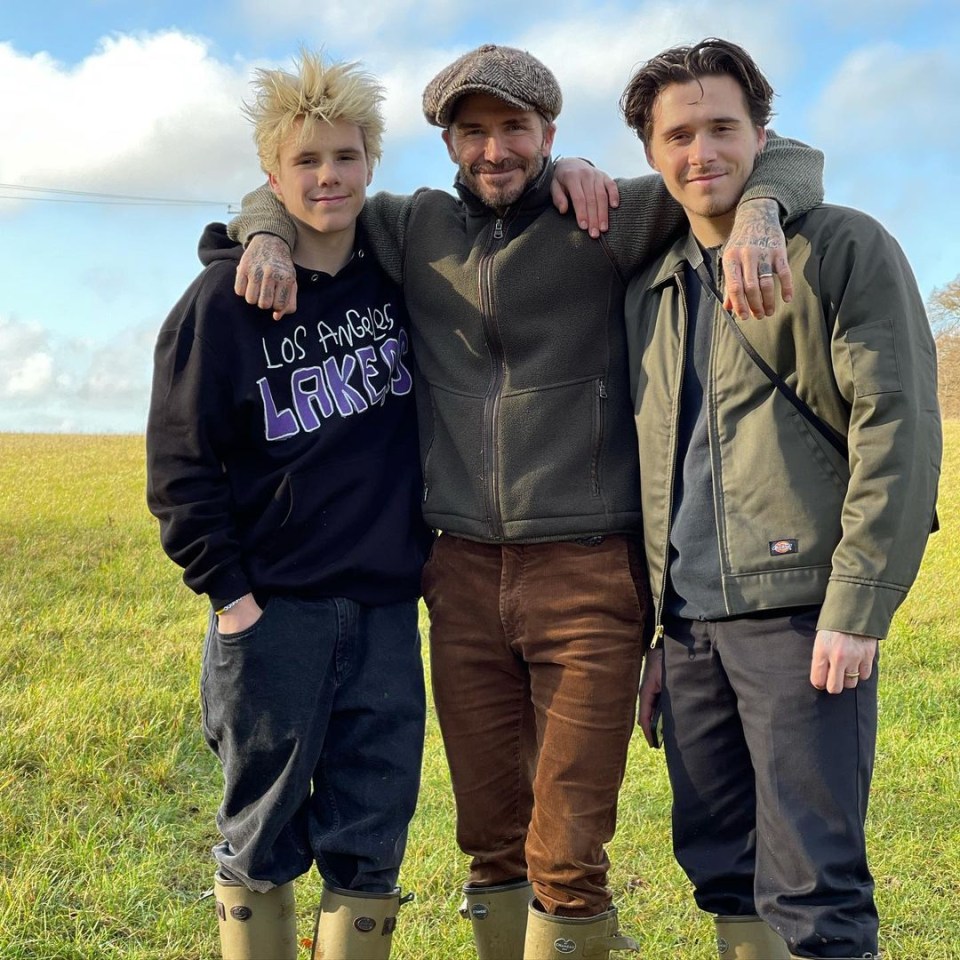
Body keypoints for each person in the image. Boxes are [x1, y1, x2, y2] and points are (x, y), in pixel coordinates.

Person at [218, 43, 824, 959]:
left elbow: (780, 158)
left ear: (548, 132)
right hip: (457, 575)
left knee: (571, 842)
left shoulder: (608, 216)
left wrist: (762, 217)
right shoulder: (410, 227)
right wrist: (262, 234)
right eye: (473, 131)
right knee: (489, 835)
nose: (493, 150)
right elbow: (289, 189)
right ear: (447, 142)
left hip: (588, 574)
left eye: (514, 129)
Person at [619, 38, 942, 960]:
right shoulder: (653, 286)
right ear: (651, 153)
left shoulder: (842, 248)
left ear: (764, 135)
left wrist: (859, 606)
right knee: (723, 867)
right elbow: (663, 463)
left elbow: (901, 427)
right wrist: (658, 633)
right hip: (688, 631)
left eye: (723, 127)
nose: (701, 152)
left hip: (803, 622)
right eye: (678, 135)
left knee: (816, 886)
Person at [145, 51, 433, 960]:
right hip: (273, 616)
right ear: (272, 176)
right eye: (305, 161)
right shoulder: (221, 305)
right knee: (260, 839)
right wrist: (232, 599)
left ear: (371, 163)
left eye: (345, 156)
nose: (328, 176)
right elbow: (180, 468)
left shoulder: (398, 287)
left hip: (387, 614)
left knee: (373, 838)